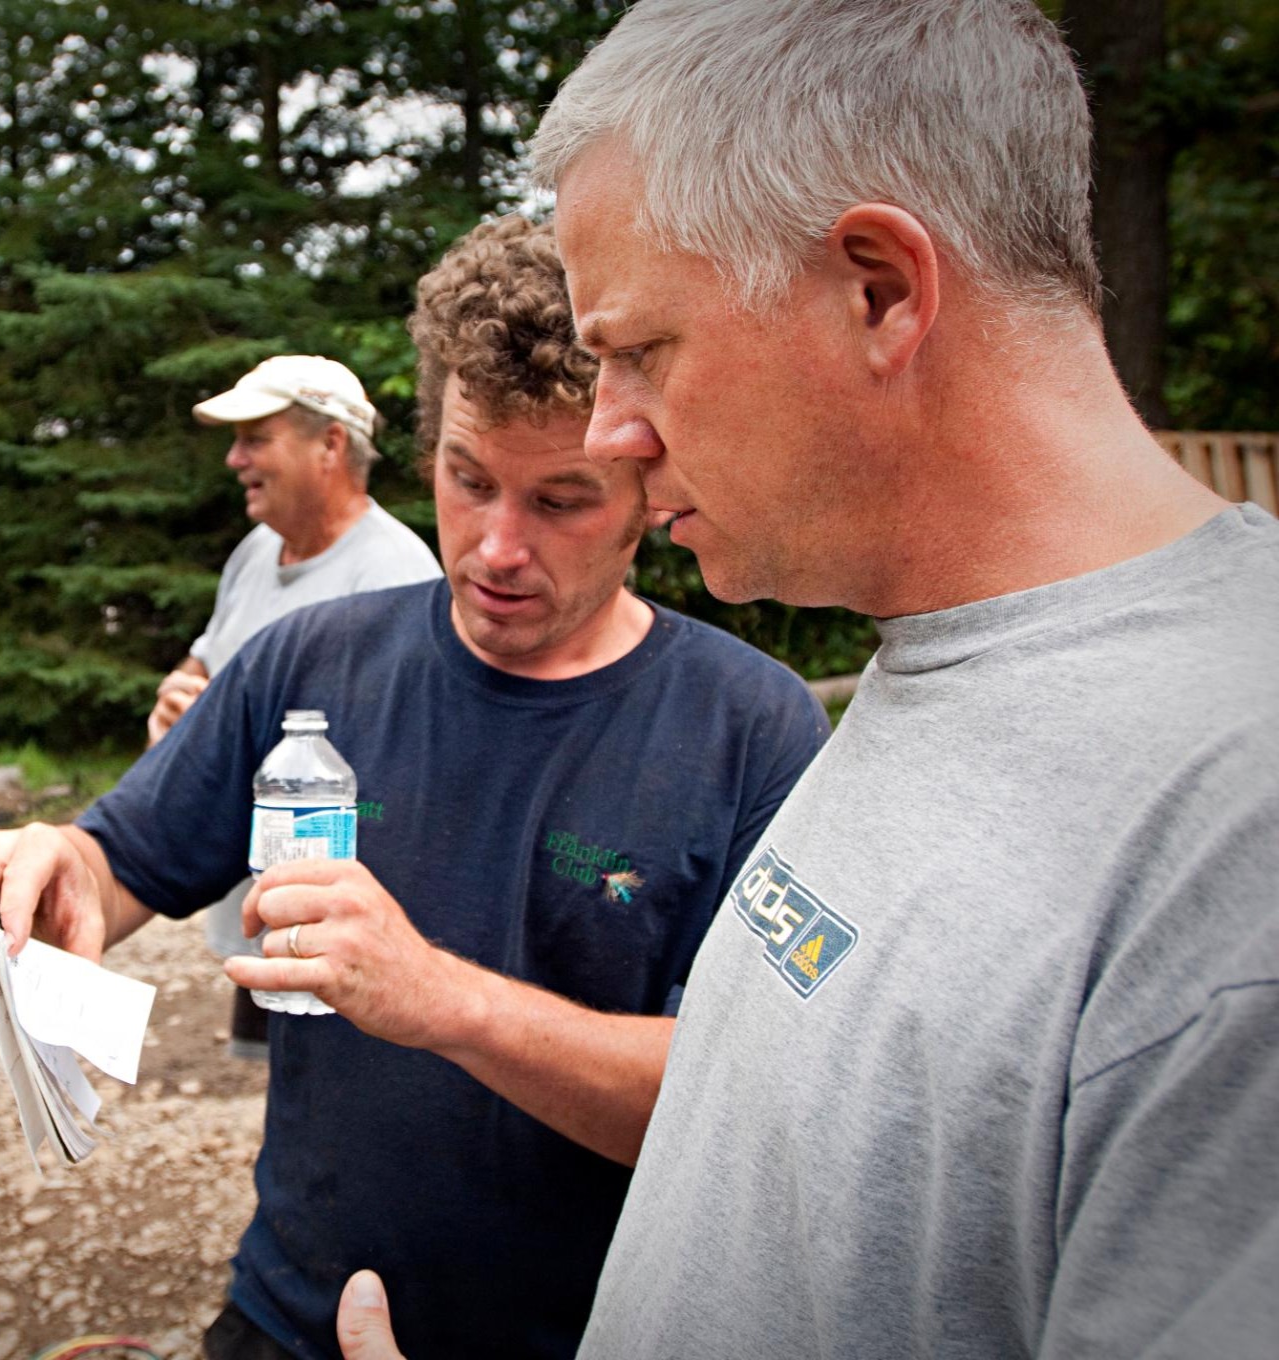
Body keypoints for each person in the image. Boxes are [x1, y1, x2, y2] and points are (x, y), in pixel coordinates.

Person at [507, 1, 1278, 1356]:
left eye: (637, 351)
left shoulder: (1236, 826)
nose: (608, 432)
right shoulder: (943, 661)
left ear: (879, 288)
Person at [0, 215, 828, 1360]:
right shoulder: (309, 665)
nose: (496, 547)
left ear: (650, 487)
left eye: (561, 500)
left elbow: (745, 1104)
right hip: (291, 1312)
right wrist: (50, 868)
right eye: (468, 482)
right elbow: (121, 862)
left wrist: (438, 998)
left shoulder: (751, 728)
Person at [147, 353, 442, 1057]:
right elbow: (205, 662)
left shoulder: (396, 576)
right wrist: (174, 709)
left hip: (343, 928)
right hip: (262, 910)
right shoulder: (257, 550)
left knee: (353, 1096)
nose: (233, 458)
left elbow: (409, 773)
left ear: (330, 446)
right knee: (285, 1095)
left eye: (256, 438)